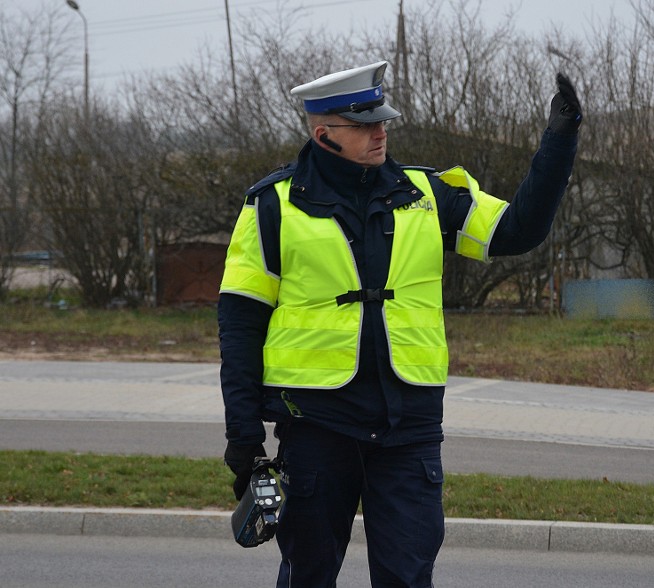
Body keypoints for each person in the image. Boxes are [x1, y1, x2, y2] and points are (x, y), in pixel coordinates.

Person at [218, 60, 581, 587]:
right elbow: (239, 327)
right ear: (325, 134)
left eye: (383, 120)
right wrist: (244, 439)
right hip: (316, 428)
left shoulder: (427, 195)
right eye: (365, 125)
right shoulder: (271, 206)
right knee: (308, 577)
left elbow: (517, 229)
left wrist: (559, 140)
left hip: (408, 430)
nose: (381, 131)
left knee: (409, 579)